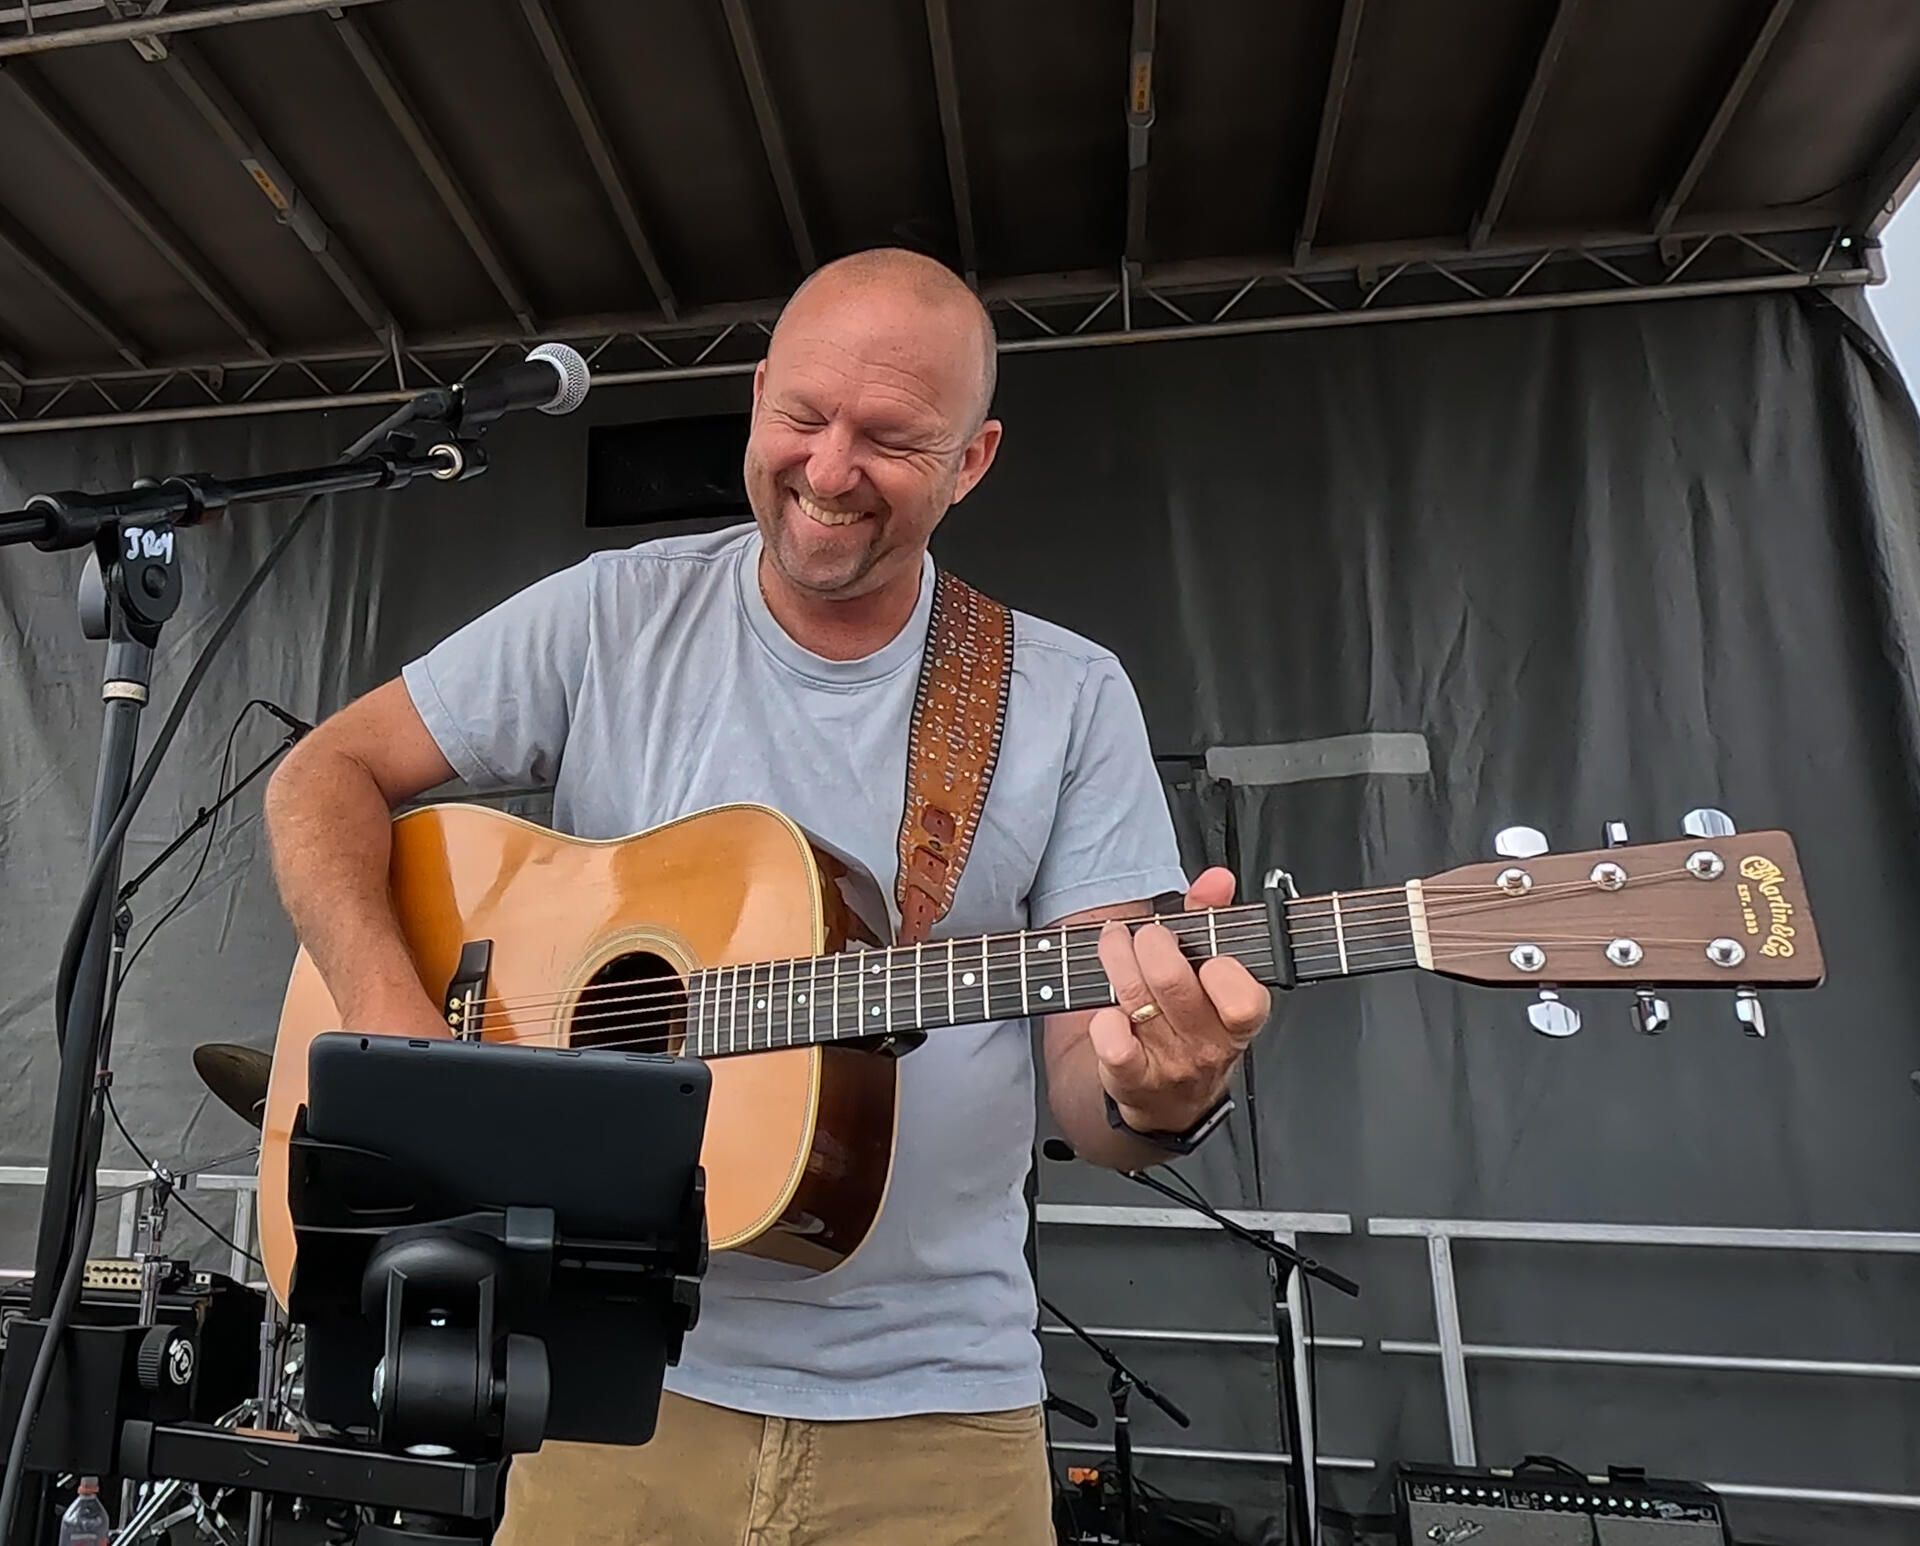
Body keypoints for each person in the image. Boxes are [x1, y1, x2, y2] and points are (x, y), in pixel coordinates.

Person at [263, 247, 1272, 1546]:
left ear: (973, 460)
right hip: (613, 1387)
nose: (831, 468)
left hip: (939, 1424)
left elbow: (1093, 1086)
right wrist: (397, 1018)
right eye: (803, 415)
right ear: (755, 401)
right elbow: (321, 776)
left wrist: (1160, 1090)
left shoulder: (1063, 697)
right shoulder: (610, 618)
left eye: (893, 438)